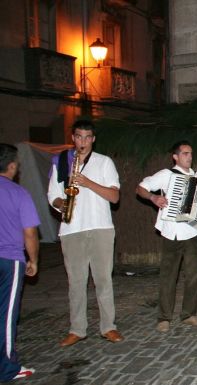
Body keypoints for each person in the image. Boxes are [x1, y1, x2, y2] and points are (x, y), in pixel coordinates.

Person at [47, 119, 123, 347]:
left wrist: (87, 182)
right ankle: (77, 329)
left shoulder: (104, 162)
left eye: (87, 137)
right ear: (73, 138)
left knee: (103, 280)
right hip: (72, 229)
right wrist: (63, 203)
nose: (83, 141)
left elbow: (114, 197)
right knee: (76, 282)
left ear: (93, 139)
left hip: (100, 227)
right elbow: (53, 196)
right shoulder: (62, 161)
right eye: (79, 136)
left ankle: (108, 327)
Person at [136, 141, 197, 333]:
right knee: (169, 276)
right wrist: (154, 198)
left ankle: (188, 314)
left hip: (194, 232)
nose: (189, 157)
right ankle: (164, 317)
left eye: (191, 153)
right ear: (175, 157)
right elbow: (141, 188)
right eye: (185, 154)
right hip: (172, 232)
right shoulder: (166, 175)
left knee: (194, 275)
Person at [0, 144, 40, 381]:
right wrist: (33, 259)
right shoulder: (18, 193)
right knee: (6, 314)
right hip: (10, 260)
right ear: (12, 165)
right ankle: (7, 368)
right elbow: (30, 232)